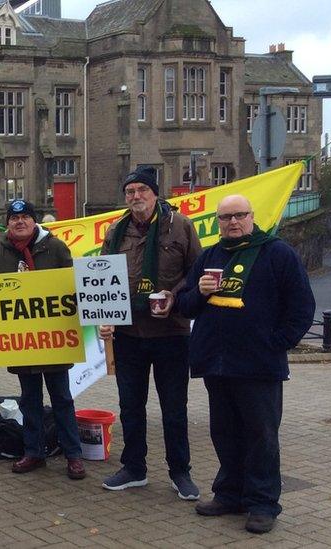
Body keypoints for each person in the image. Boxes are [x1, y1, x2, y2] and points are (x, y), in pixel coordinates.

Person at [177, 195, 314, 534]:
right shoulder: (209, 256)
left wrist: (277, 343)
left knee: (261, 437)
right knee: (224, 433)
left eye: (239, 215)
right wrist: (201, 291)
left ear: (252, 217)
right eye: (225, 217)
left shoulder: (277, 252)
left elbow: (301, 306)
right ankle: (230, 494)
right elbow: (185, 305)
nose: (233, 222)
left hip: (258, 366)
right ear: (219, 222)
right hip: (217, 363)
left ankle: (263, 503)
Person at [98, 166, 202, 500]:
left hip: (171, 333)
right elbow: (101, 276)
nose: (136, 196)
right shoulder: (115, 231)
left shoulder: (180, 226)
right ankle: (134, 468)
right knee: (131, 406)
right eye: (130, 192)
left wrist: (174, 295)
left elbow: (195, 272)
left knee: (174, 408)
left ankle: (180, 472)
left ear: (155, 194)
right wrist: (104, 314)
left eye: (142, 190)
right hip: (129, 334)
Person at [0, 200, 86, 480]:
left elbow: (73, 288)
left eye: (25, 217)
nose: (19, 222)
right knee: (30, 399)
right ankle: (34, 451)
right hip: (22, 343)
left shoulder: (56, 248)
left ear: (34, 221)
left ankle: (73, 455)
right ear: (7, 223)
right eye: (14, 217)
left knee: (62, 398)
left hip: (54, 340)